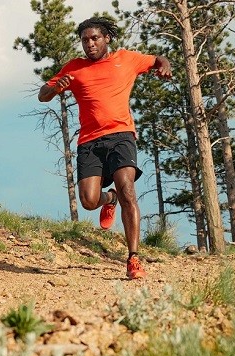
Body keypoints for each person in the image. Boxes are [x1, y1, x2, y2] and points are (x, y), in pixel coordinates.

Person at [37, 16, 172, 280]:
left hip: (121, 135)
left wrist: (164, 66)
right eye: (85, 40)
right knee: (88, 201)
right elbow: (43, 93)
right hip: (89, 141)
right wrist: (55, 90)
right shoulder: (73, 68)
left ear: (106, 38)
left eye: (94, 38)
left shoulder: (126, 59)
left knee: (128, 191)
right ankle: (109, 199)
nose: (90, 44)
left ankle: (133, 258)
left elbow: (158, 59)